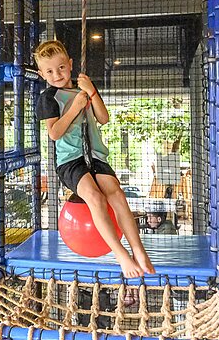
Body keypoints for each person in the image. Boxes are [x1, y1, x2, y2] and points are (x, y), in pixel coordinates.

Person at [33, 39, 155, 276]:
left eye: (61, 67)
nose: (57, 74)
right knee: (95, 197)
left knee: (117, 194)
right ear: (41, 74)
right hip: (70, 161)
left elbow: (103, 118)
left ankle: (139, 250)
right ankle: (121, 255)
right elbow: (54, 133)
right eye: (49, 71)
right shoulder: (48, 98)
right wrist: (75, 107)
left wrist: (91, 91)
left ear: (70, 64)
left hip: (96, 155)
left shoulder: (83, 88)